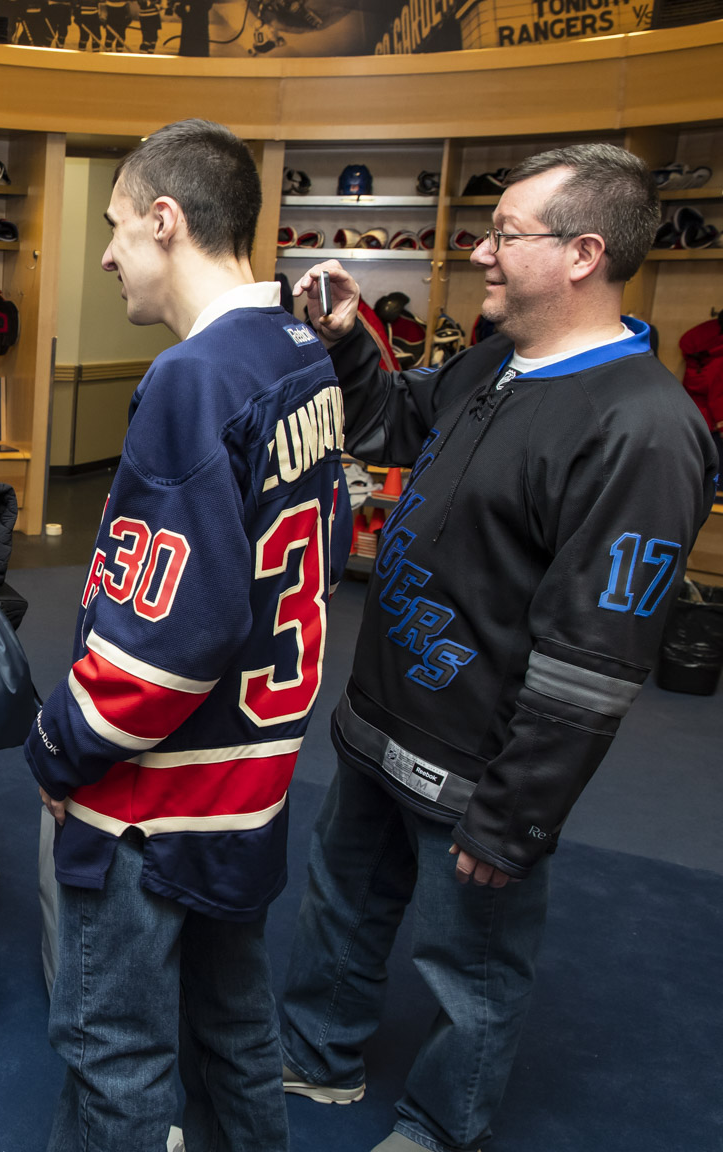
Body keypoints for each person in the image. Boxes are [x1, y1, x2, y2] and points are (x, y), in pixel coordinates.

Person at [279, 144, 717, 1152]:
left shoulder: (644, 429)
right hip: (381, 722)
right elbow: (388, 423)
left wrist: (514, 819)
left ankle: (441, 1125)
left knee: (470, 966)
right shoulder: (491, 362)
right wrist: (348, 339)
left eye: (505, 233)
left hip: (479, 772)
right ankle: (318, 1055)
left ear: (582, 254)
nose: (480, 251)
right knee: (342, 907)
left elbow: (594, 660)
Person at [27, 119, 348, 1152]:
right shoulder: (297, 346)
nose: (110, 253)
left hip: (157, 799)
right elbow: (323, 545)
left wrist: (59, 747)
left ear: (167, 221)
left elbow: (167, 639)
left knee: (115, 1052)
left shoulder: (193, 376)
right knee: (234, 1030)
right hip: (250, 782)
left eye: (118, 227)